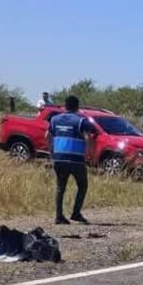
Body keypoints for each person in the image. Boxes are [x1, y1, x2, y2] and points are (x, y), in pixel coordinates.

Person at [45, 95, 97, 225]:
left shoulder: (54, 120)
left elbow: (47, 136)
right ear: (77, 107)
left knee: (60, 187)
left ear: (65, 106)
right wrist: (89, 153)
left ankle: (59, 216)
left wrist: (52, 151)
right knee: (82, 185)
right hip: (76, 159)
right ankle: (76, 213)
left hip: (59, 158)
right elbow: (88, 138)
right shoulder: (81, 121)